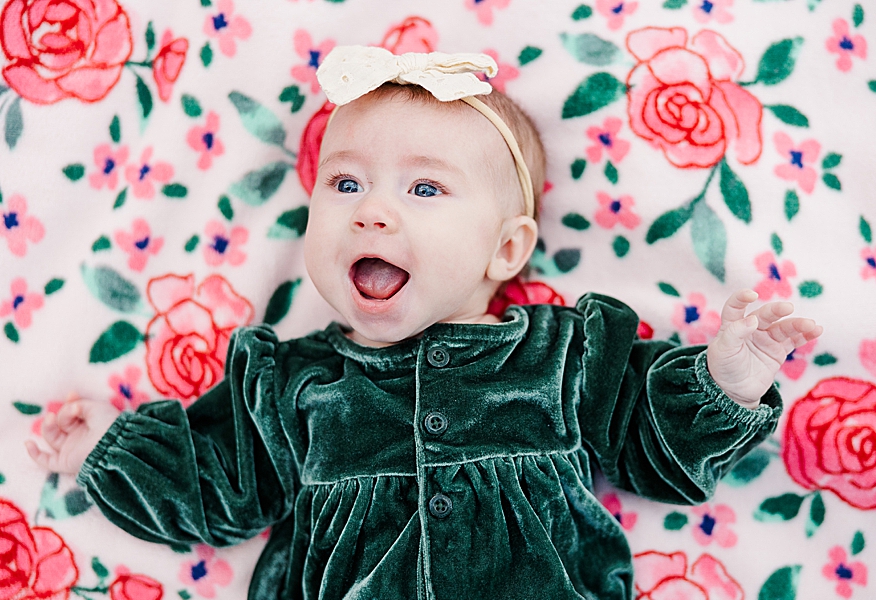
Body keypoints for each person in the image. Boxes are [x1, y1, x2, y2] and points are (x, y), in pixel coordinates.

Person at [26, 46, 822, 599]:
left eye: (425, 190)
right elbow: (216, 481)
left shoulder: (561, 357)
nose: (371, 212)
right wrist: (109, 446)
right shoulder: (291, 384)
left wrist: (726, 380)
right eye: (344, 184)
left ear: (505, 249)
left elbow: (653, 447)